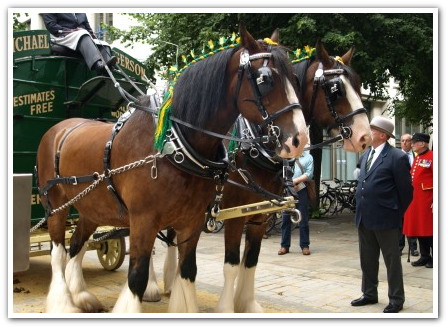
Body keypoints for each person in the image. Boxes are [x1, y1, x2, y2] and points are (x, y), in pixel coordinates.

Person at [351, 116, 413, 313]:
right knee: (367, 259)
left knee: (392, 261)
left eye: (372, 129)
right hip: (364, 217)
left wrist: (395, 212)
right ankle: (369, 293)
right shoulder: (366, 153)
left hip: (386, 219)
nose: (368, 132)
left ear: (382, 135)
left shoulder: (397, 157)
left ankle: (396, 299)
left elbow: (406, 192)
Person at [42, 13, 117, 74]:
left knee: (104, 44)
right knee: (82, 33)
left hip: (81, 36)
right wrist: (72, 31)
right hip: (62, 37)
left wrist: (93, 38)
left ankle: (107, 68)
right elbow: (51, 26)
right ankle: (98, 65)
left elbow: (88, 29)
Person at [403, 133, 433, 268]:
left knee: (431, 230)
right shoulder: (418, 157)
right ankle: (425, 256)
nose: (412, 144)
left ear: (423, 144)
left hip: (428, 200)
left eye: (415, 142)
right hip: (416, 200)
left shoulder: (433, 157)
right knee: (420, 229)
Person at [278, 151, 314, 256]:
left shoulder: (308, 157)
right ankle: (284, 246)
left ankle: (305, 246)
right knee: (285, 218)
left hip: (301, 189)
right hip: (287, 190)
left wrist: (294, 182)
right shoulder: (285, 156)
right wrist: (288, 184)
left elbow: (309, 174)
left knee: (303, 218)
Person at [399, 133, 419, 257]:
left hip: (414, 193)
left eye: (407, 140)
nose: (405, 143)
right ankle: (399, 247)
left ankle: (413, 247)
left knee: (412, 221)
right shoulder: (396, 156)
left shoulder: (416, 156)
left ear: (411, 143)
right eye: (402, 141)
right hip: (400, 193)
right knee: (400, 222)